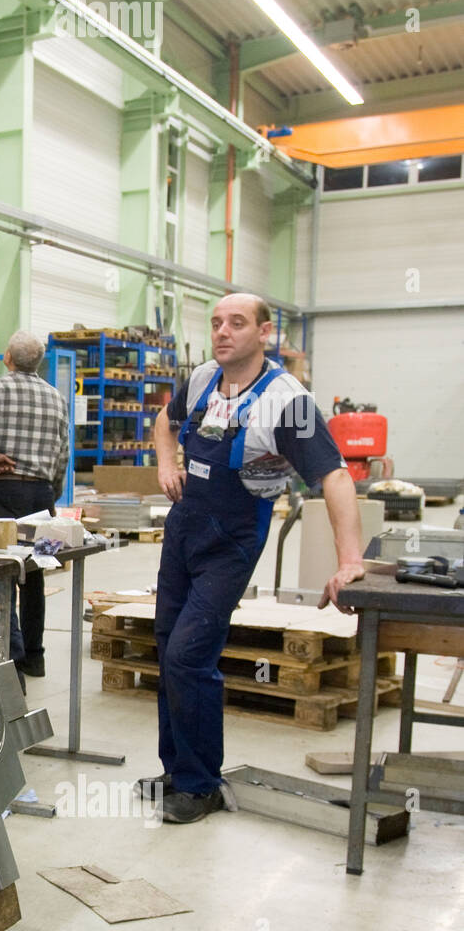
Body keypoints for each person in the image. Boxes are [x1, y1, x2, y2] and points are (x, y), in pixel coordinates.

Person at [141, 293, 366, 824]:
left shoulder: (287, 402)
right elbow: (164, 421)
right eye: (217, 322)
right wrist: (166, 464)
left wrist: (349, 558)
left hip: (233, 536)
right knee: (168, 643)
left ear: (264, 334)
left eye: (237, 323)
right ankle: (176, 773)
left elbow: (333, 476)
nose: (223, 332)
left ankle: (201, 786)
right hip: (183, 527)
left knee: (189, 655)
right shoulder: (200, 379)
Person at [0, 331, 69, 679]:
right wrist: (50, 493)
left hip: (4, 494)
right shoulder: (56, 398)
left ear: (7, 357)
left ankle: (4, 658)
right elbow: (63, 454)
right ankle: (34, 657)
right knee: (35, 573)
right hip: (41, 497)